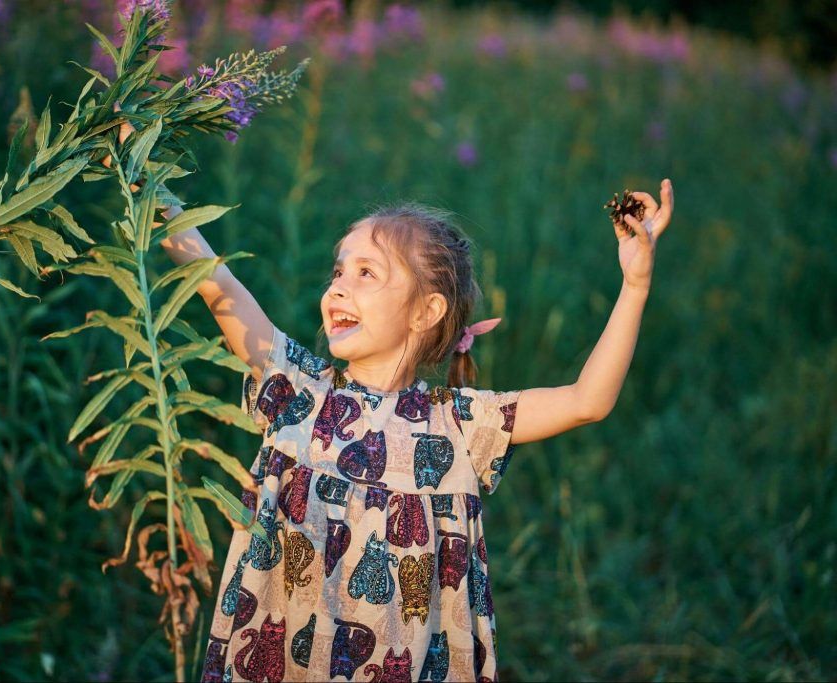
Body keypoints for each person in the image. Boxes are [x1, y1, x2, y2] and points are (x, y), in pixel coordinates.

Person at [108, 115, 675, 682]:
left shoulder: (457, 427)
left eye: (366, 273)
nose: (338, 286)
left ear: (426, 311)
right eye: (337, 271)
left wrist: (635, 286)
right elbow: (217, 284)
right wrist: (150, 186)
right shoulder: (299, 392)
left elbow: (587, 401)